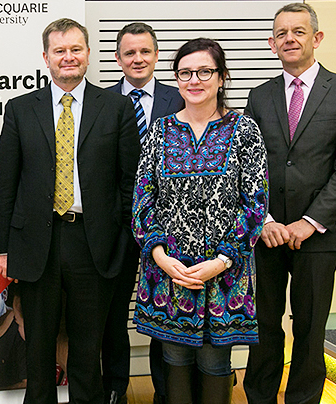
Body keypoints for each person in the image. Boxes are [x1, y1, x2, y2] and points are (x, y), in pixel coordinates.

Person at [0, 18, 140, 404]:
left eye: (76, 48)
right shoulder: (21, 109)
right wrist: (4, 248)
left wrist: (124, 239)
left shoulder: (117, 107)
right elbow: (6, 185)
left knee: (87, 347)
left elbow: (130, 182)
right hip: (36, 242)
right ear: (45, 57)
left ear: (89, 54)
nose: (68, 57)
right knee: (38, 347)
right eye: (59, 50)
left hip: (94, 242)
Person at [243, 3, 336, 404]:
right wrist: (264, 219)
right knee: (263, 325)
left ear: (317, 38)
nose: (289, 39)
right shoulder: (259, 96)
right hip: (268, 233)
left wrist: (310, 221)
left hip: (319, 234)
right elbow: (247, 164)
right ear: (271, 43)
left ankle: (303, 399)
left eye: (298, 31)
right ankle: (260, 396)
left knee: (311, 327)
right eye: (281, 33)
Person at [131, 37, 268, 403]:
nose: (194, 80)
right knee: (173, 361)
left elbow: (254, 205)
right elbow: (143, 200)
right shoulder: (159, 132)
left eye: (204, 71)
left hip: (223, 275)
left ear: (221, 77)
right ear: (176, 79)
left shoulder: (245, 131)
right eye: (185, 72)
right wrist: (160, 256)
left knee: (214, 365)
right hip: (169, 273)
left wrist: (220, 261)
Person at [104, 22, 184, 404]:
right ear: (118, 58)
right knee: (113, 314)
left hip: (167, 230)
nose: (138, 59)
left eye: (145, 51)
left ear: (156, 55)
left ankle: (165, 391)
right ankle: (116, 387)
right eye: (129, 53)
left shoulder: (182, 98)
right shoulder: (97, 101)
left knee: (162, 314)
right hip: (114, 228)